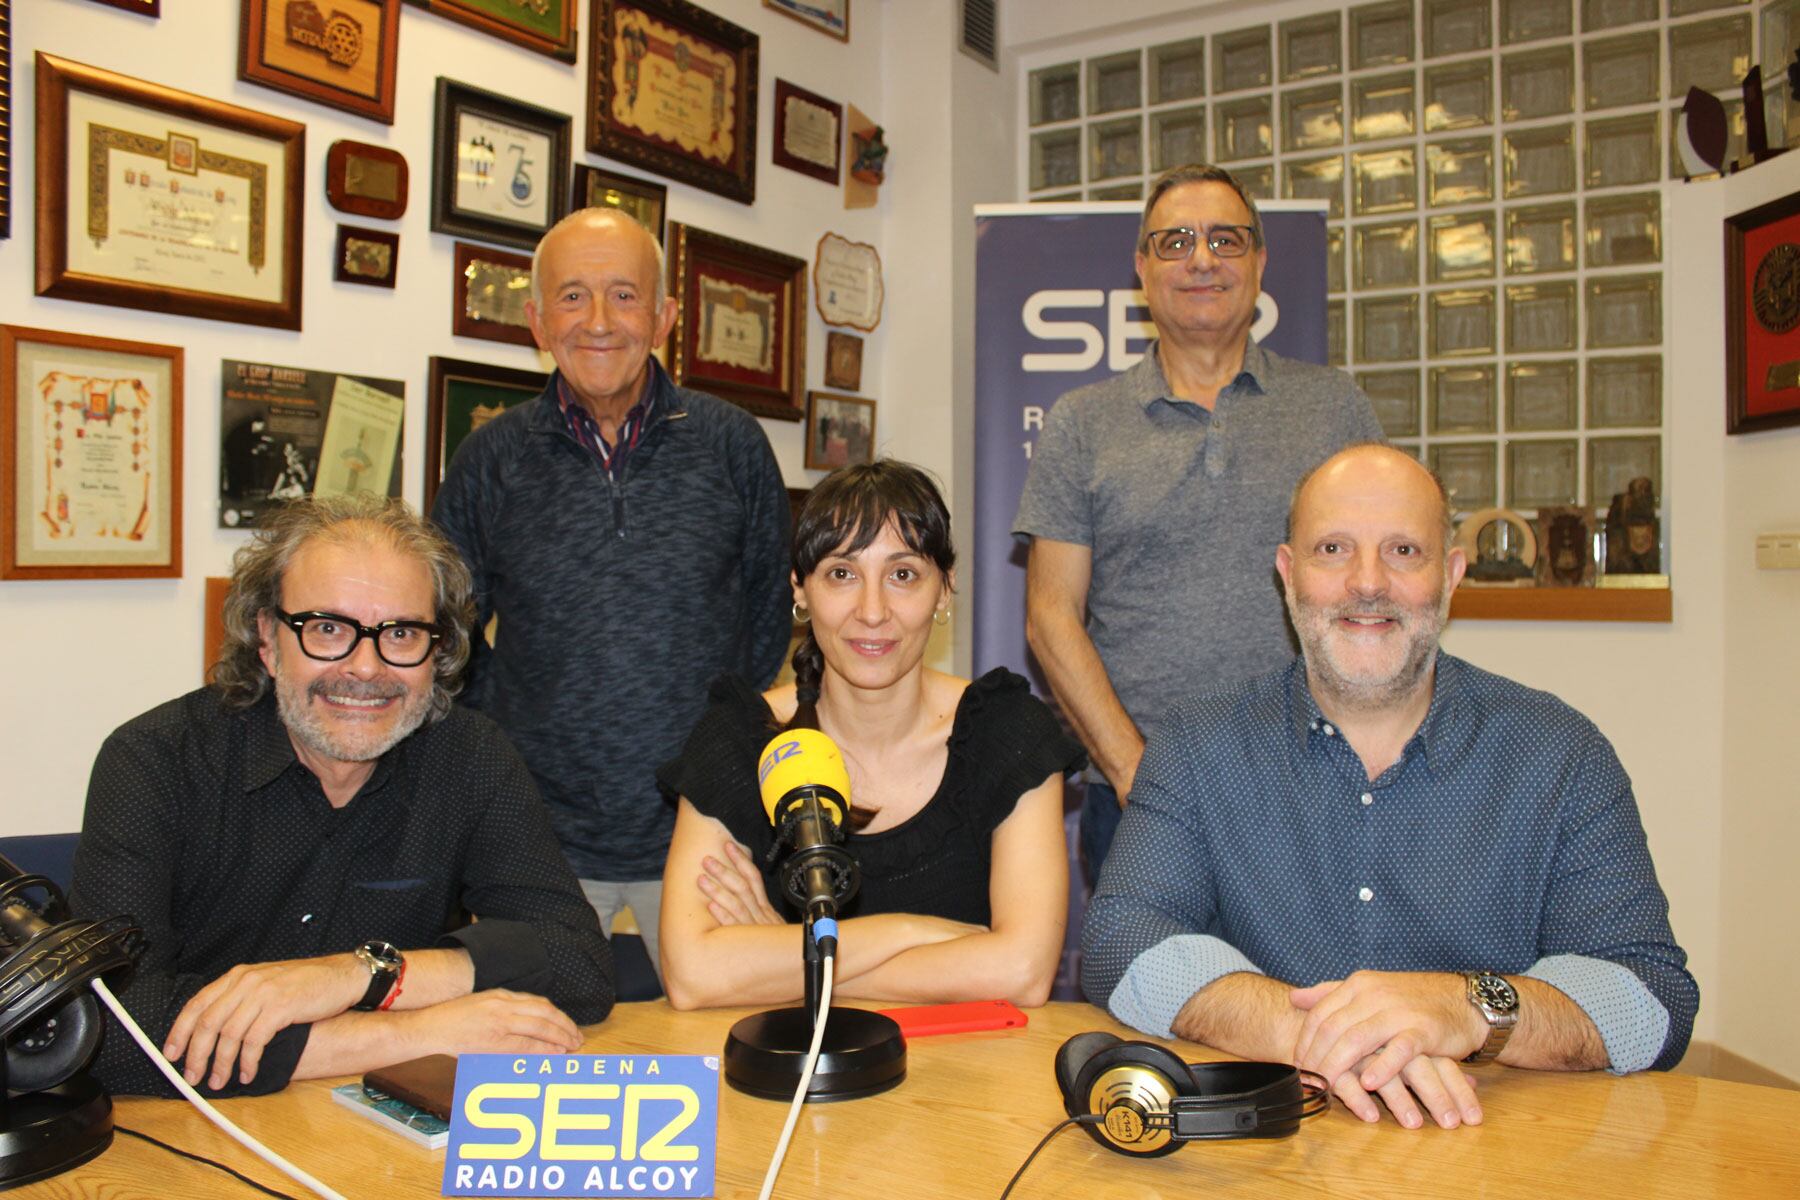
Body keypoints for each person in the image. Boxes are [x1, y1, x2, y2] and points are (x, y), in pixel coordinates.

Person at [1081, 444, 1698, 1131]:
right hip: (1274, 1152)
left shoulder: (1561, 753)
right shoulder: (1197, 745)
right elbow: (1121, 940)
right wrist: (1318, 1037)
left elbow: (1653, 1000)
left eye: (1404, 550)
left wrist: (1467, 1008)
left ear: (1452, 574)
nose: (1367, 583)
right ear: (1288, 575)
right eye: (1333, 549)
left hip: (1497, 1150)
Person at [70, 495, 614, 1098]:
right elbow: (105, 1031)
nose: (364, 668)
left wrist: (357, 975)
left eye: (401, 633)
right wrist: (415, 1034)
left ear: (438, 651)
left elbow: (579, 965)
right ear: (268, 639)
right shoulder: (155, 760)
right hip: (191, 1137)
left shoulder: (471, 756)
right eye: (328, 629)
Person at [431, 209, 792, 976]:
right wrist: (513, 745)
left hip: (708, 835)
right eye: (571, 297)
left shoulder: (734, 446)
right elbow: (445, 636)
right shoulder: (489, 459)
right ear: (535, 320)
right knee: (535, 1048)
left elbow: (767, 626)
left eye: (624, 296)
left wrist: (715, 756)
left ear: (663, 317)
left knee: (721, 1051)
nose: (598, 322)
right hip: (540, 839)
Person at [1014, 163, 1384, 886]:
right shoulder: (1081, 424)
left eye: (1226, 239)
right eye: (1176, 241)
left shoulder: (1334, 408)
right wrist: (1134, 773)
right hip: (1141, 801)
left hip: (1312, 787)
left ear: (1260, 262)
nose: (1203, 259)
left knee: (1318, 1000)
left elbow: (1378, 593)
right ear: (1142, 268)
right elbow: (1051, 618)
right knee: (1146, 1002)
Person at [656, 462, 1085, 1008]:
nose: (873, 611)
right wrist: (909, 932)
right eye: (842, 574)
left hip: (964, 1079)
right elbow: (693, 977)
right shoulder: (742, 737)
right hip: (792, 1080)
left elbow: (1022, 973)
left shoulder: (1009, 732)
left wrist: (791, 961)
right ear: (800, 589)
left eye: (903, 574)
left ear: (944, 590)